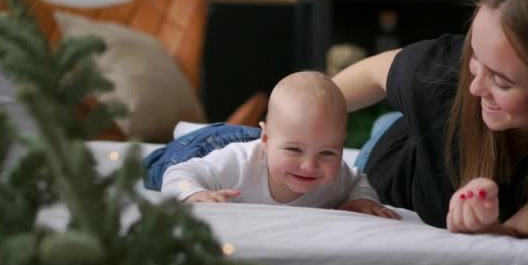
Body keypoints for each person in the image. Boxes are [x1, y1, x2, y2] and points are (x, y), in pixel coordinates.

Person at [332, 0, 528, 237]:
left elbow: (514, 232)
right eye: (474, 60)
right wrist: (285, 122)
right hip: (393, 151)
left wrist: (487, 228)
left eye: (502, 81)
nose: (474, 87)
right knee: (395, 121)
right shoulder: (442, 72)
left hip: (433, 128)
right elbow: (368, 74)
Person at [157, 71, 399, 219]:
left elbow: (358, 180)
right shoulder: (237, 164)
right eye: (294, 150)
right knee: (159, 165)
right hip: (212, 145)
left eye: (327, 152)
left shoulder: (337, 178)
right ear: (266, 139)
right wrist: (194, 193)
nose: (309, 165)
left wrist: (362, 200)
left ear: (341, 144)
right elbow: (179, 172)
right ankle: (192, 132)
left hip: (271, 136)